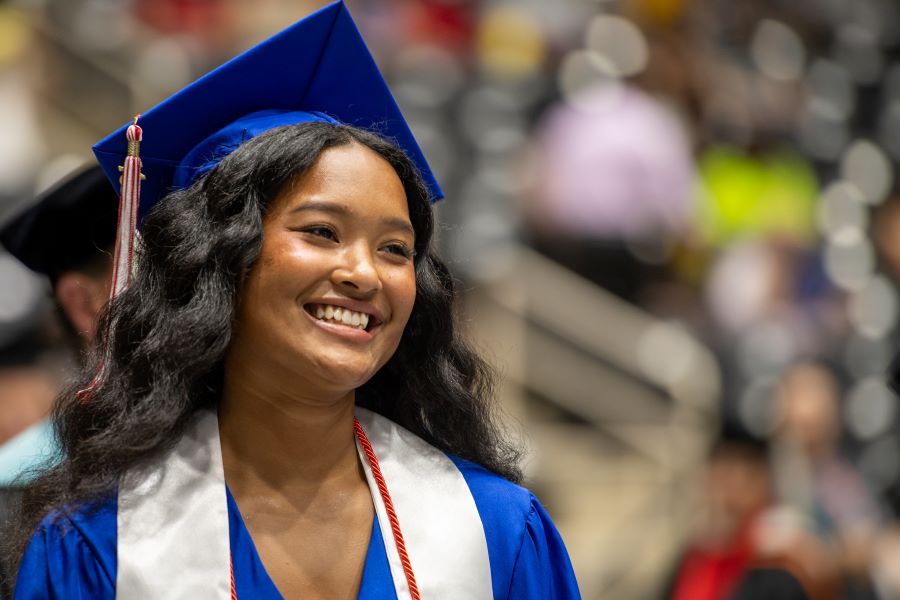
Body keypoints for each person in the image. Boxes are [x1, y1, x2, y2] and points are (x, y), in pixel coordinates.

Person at [7, 2, 581, 598]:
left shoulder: (493, 533)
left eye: (395, 248)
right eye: (321, 232)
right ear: (218, 261)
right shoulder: (103, 547)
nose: (364, 273)